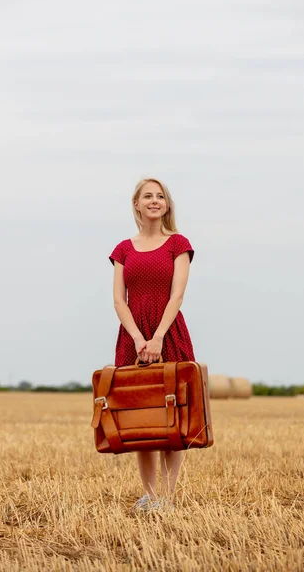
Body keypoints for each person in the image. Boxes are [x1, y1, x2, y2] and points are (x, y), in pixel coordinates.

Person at [109, 177, 196, 512]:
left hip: (169, 332)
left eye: (161, 196)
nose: (155, 201)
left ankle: (170, 497)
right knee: (141, 419)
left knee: (173, 418)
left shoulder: (178, 244)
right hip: (132, 336)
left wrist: (158, 337)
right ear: (137, 204)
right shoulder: (123, 249)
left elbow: (177, 295)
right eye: (148, 196)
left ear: (167, 205)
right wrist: (137, 339)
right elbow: (119, 300)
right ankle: (149, 495)